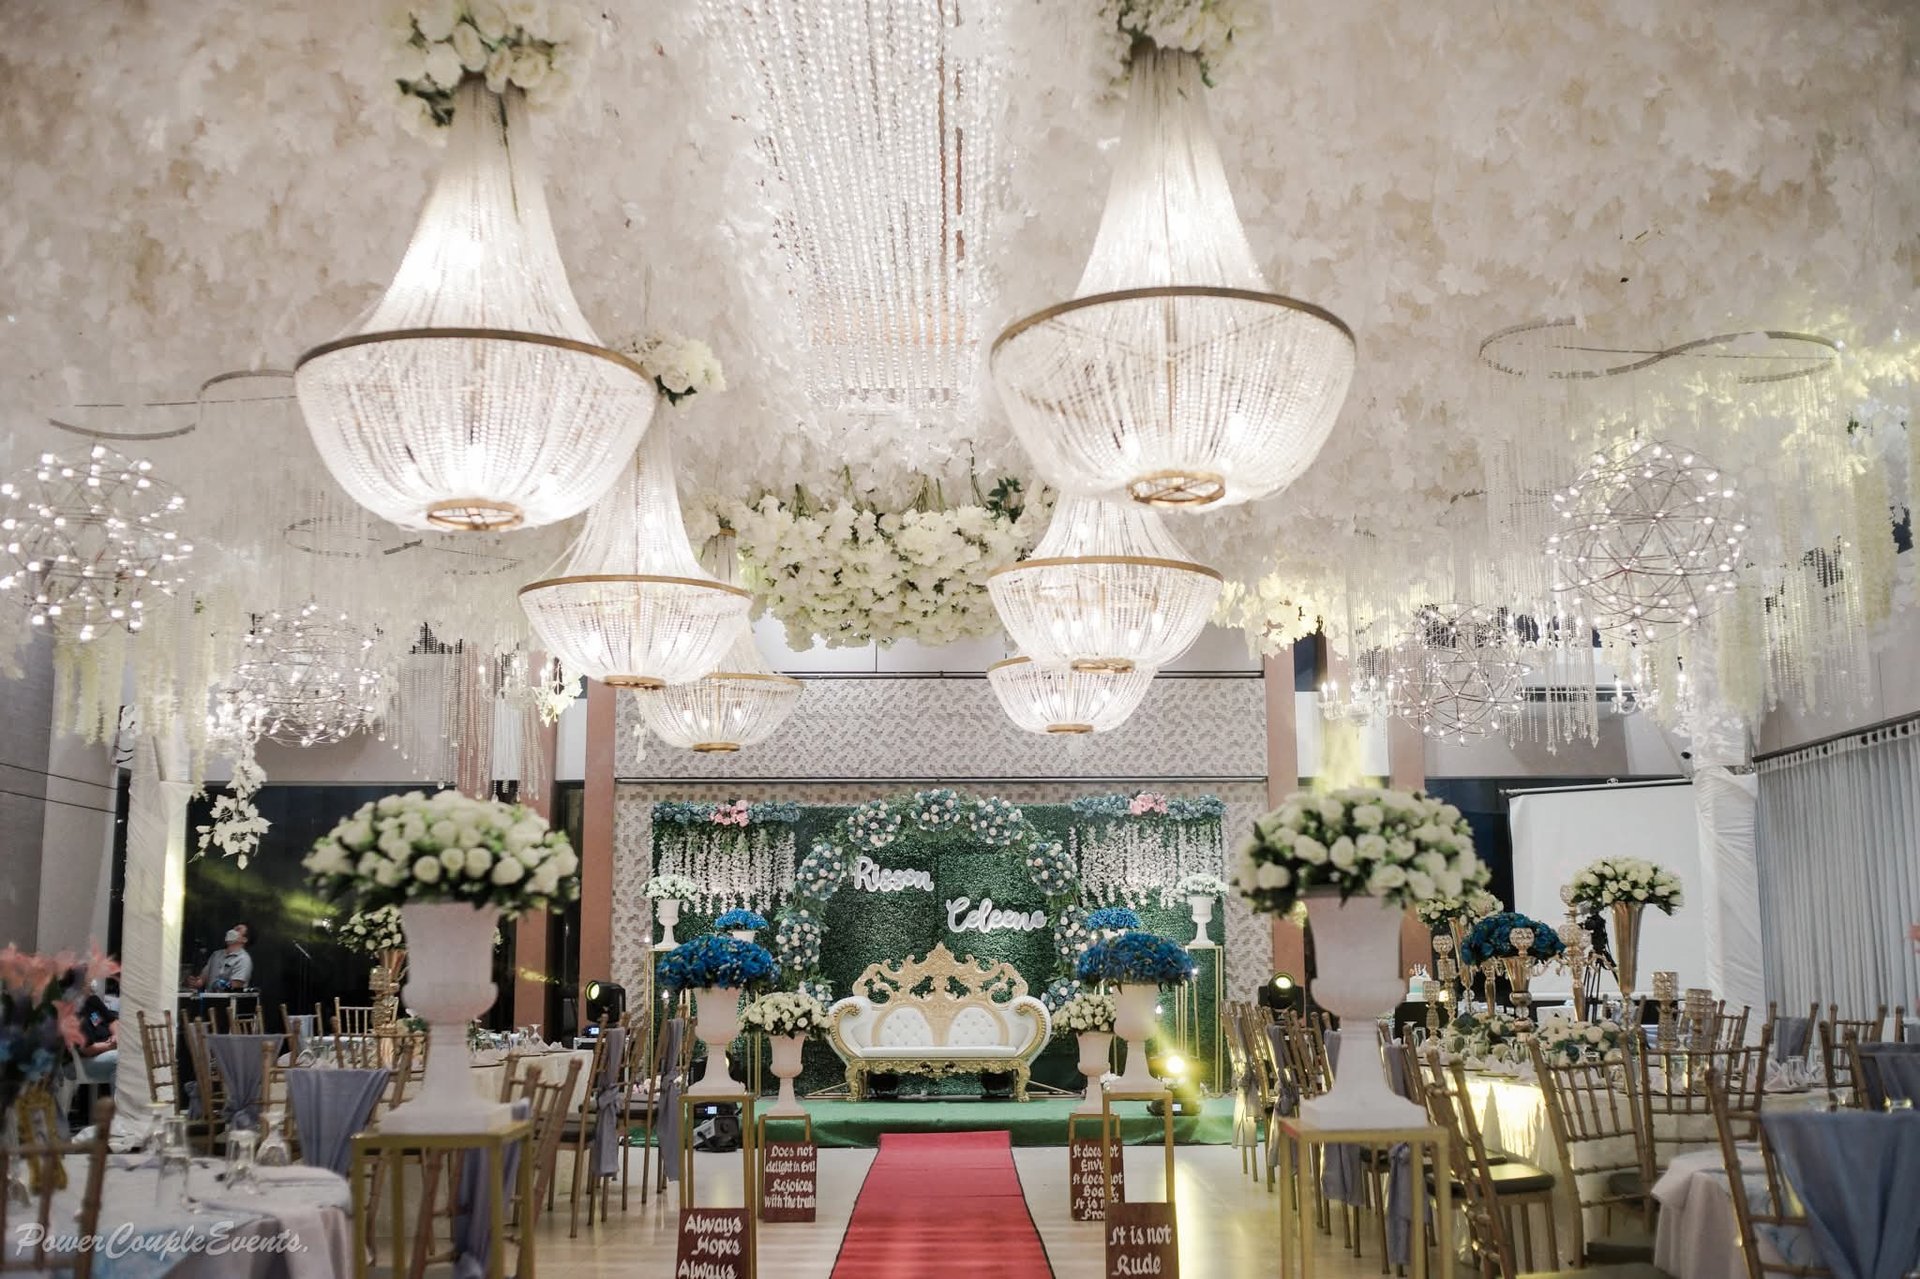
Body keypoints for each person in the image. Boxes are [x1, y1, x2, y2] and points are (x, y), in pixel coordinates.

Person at [188, 924, 254, 992]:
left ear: (244, 939)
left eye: (237, 930)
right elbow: (202, 980)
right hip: (209, 1000)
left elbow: (235, 987)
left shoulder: (243, 959)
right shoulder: (216, 954)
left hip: (228, 1002)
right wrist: (194, 982)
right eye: (233, 929)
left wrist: (219, 985)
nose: (231, 931)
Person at [75, 989, 118, 1085]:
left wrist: (116, 1035)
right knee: (121, 1059)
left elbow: (111, 1021)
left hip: (110, 1047)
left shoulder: (92, 1001)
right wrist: (112, 1046)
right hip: (85, 1060)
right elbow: (87, 1050)